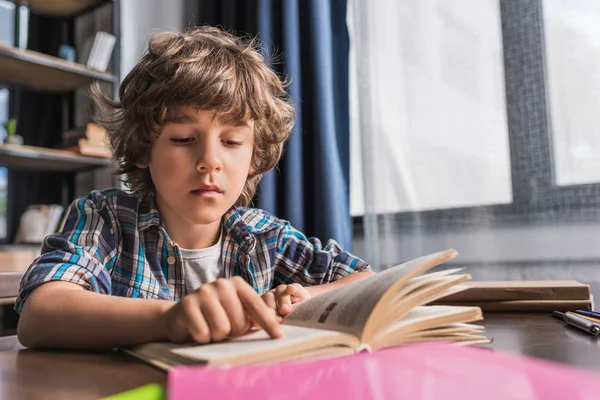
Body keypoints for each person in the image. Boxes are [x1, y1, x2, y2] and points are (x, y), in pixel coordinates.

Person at [15, 26, 373, 350]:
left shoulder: (265, 236)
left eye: (232, 142)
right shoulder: (106, 219)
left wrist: (301, 296)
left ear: (254, 156)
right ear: (143, 148)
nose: (210, 161)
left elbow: (367, 281)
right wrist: (169, 319)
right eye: (184, 138)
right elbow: (40, 314)